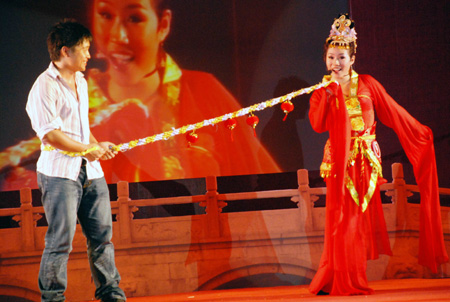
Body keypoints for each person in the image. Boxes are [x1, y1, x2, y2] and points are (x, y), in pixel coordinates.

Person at [307, 14, 448, 295]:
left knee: (354, 223)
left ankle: (345, 278)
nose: (336, 63)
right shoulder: (321, 91)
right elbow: (317, 124)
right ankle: (340, 278)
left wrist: (420, 132)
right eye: (331, 57)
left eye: (342, 58)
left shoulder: (369, 84)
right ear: (325, 59)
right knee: (341, 220)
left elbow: (393, 114)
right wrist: (329, 95)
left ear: (352, 58)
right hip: (339, 162)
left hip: (366, 162)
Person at [87, 0, 281, 183]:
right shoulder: (76, 101)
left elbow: (253, 186)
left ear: (163, 25)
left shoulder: (204, 92)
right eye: (105, 15)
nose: (118, 35)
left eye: (134, 18)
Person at [26, 19, 126, 302]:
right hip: (59, 174)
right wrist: (86, 149)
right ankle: (53, 298)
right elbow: (51, 136)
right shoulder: (43, 87)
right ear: (65, 51)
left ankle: (111, 295)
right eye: (84, 49)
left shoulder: (81, 81)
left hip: (90, 171)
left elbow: (80, 127)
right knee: (60, 242)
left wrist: (96, 147)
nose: (89, 55)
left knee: (102, 238)